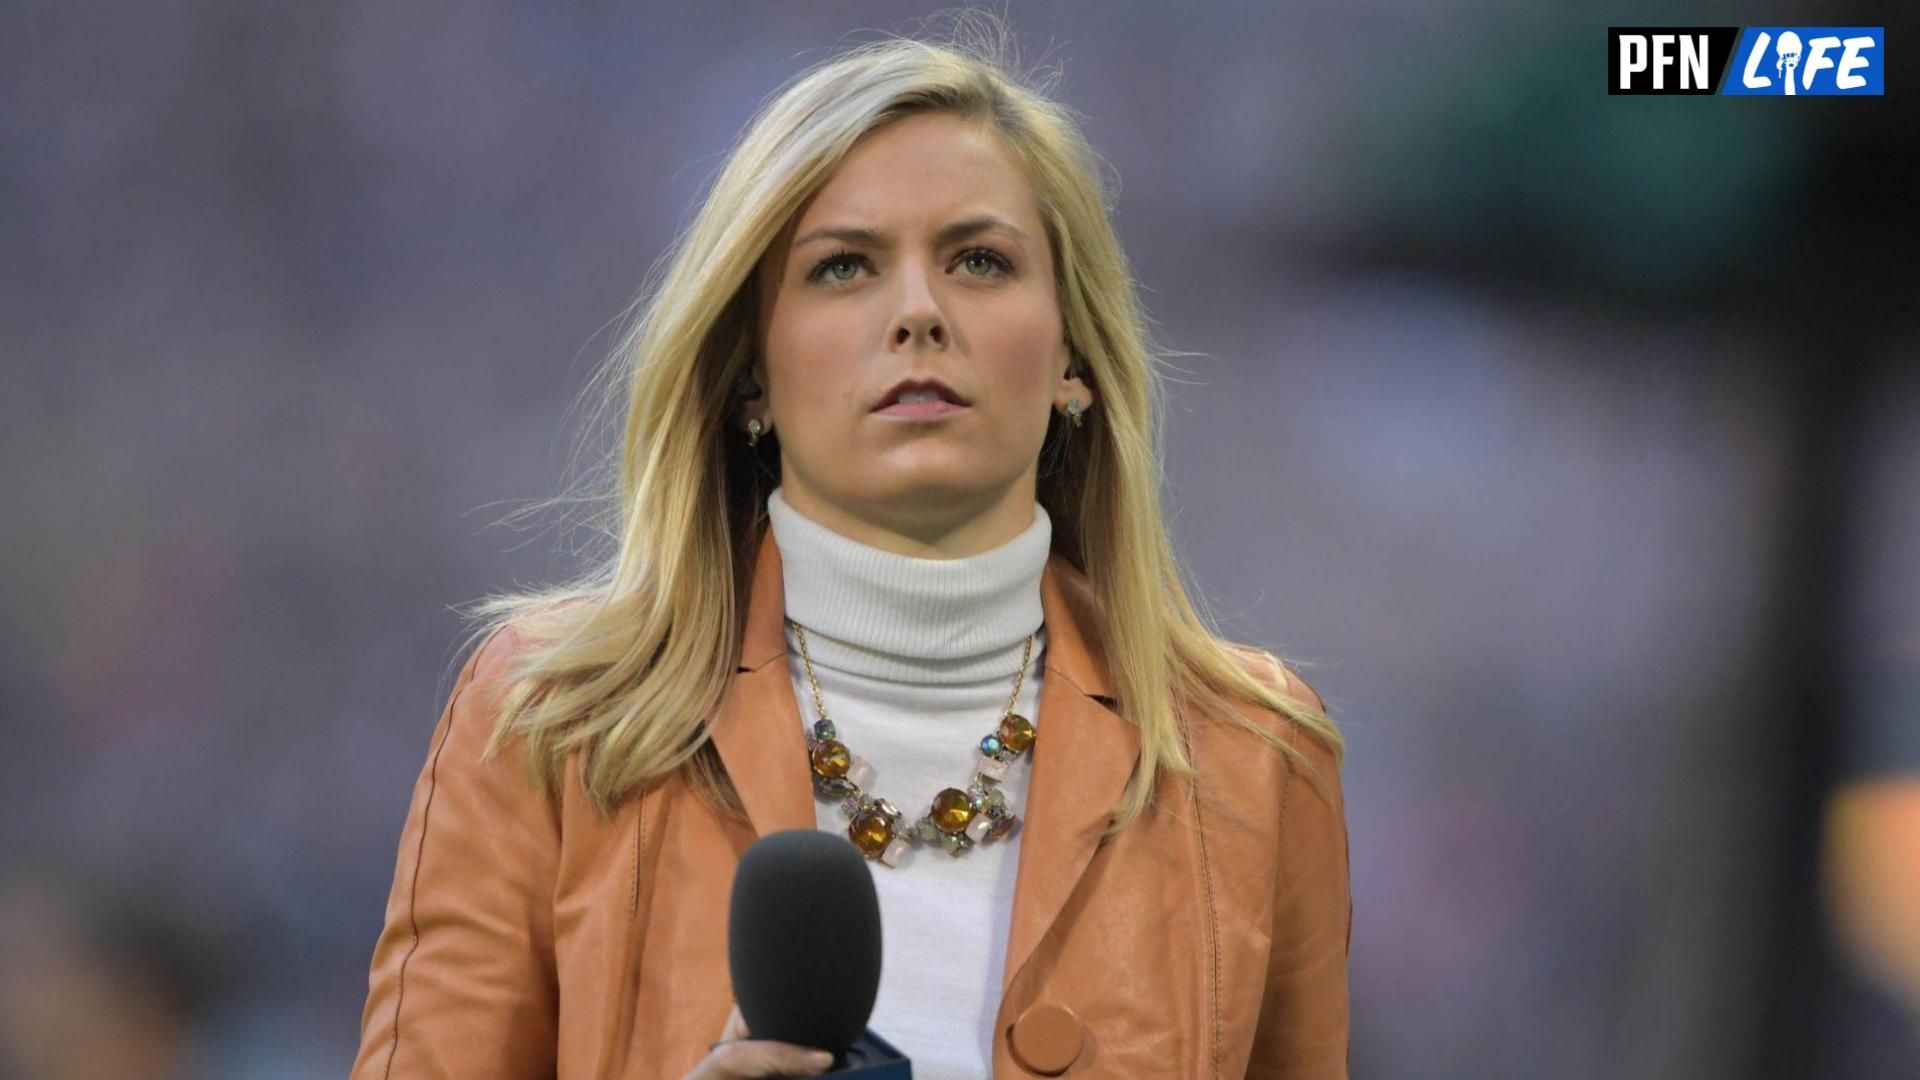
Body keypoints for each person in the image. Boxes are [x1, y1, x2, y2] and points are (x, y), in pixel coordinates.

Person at [351, 14, 1350, 1079]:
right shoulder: (549, 725)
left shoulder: (1255, 759)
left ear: (1073, 356)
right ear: (750, 372)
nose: (918, 311)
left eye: (977, 260)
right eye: (844, 268)